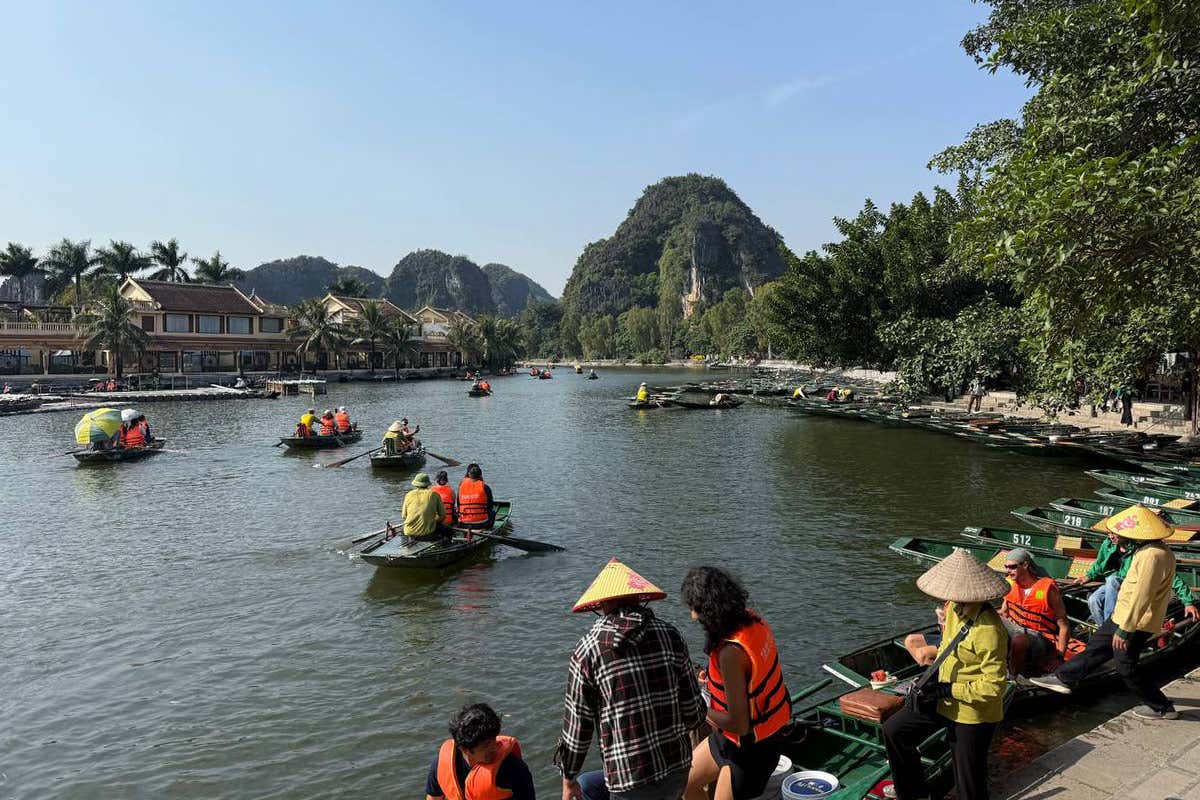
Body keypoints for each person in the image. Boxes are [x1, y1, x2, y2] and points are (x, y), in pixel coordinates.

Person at [555, 559, 705, 800]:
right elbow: (694, 713)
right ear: (639, 597)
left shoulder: (588, 650)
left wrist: (568, 778)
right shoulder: (671, 635)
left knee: (585, 784)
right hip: (678, 769)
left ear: (602, 604)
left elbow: (578, 728)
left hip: (628, 780)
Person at [1030, 506, 1183, 719]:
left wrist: (1125, 630)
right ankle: (1064, 678)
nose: (1115, 536)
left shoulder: (1152, 556)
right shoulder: (1148, 551)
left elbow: (1142, 595)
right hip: (1122, 615)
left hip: (1135, 622)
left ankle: (1162, 707)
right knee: (1097, 646)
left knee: (1126, 666)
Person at [883, 548, 1009, 800]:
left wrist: (949, 689)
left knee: (969, 784)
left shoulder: (990, 630)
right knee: (894, 730)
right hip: (943, 698)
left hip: (973, 713)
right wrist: (930, 679)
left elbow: (994, 687)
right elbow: (946, 648)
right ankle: (913, 792)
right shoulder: (953, 610)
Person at [681, 567, 791, 800]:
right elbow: (748, 679)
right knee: (684, 783)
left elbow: (739, 724)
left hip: (750, 750)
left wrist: (699, 709)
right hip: (731, 739)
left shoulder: (730, 653)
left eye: (695, 609)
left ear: (709, 610)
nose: (693, 616)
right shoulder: (752, 621)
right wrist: (710, 680)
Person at [1073, 524, 1200, 626]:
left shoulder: (1139, 550)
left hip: (1133, 585)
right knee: (1093, 600)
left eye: (1114, 534)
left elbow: (1172, 577)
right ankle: (1104, 628)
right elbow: (1099, 564)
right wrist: (1088, 576)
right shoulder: (1108, 544)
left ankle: (1110, 626)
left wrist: (1188, 602)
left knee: (1112, 580)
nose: (1111, 537)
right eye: (1109, 533)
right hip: (1115, 584)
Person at [425, 703, 535, 800]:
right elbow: (434, 797)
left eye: (493, 740)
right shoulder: (441, 765)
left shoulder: (514, 768)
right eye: (486, 745)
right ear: (465, 749)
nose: (494, 748)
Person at [998, 549, 1069, 676]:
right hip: (1015, 628)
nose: (1008, 571)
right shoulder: (1011, 585)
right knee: (985, 620)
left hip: (1040, 638)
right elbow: (1003, 613)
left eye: (1012, 567)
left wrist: (1059, 656)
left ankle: (1012, 677)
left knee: (1019, 640)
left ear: (1025, 565)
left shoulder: (1048, 589)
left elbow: (1064, 625)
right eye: (1006, 567)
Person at [402, 473, 452, 544]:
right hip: (427, 533)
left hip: (409, 532)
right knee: (449, 531)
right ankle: (446, 547)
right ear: (427, 484)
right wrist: (433, 522)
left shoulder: (408, 494)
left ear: (415, 484)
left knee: (403, 530)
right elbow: (443, 515)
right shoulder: (434, 494)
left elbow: (404, 516)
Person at [457, 464, 495, 530]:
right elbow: (490, 506)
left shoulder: (461, 487)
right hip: (481, 524)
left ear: (469, 475)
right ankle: (486, 528)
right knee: (493, 512)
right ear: (480, 475)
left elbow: (458, 504)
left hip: (463, 524)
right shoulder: (485, 487)